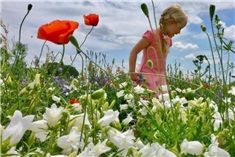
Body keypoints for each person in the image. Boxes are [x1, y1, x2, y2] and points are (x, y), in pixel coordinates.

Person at [129, 4, 188, 94]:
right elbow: (134, 51)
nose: (179, 32)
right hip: (147, 77)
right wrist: (132, 72)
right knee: (148, 103)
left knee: (162, 106)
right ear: (171, 22)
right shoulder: (151, 35)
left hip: (161, 79)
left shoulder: (168, 41)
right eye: (180, 28)